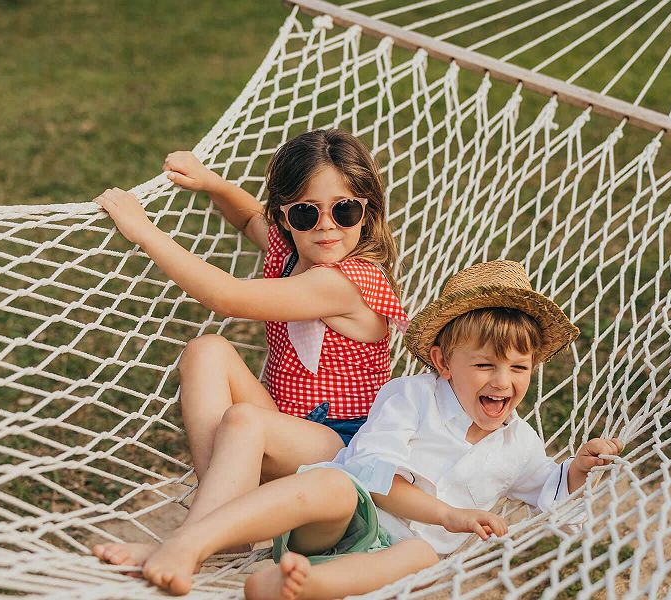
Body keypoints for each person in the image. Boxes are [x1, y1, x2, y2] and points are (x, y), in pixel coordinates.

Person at [130, 260, 625, 598]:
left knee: (420, 555)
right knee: (333, 481)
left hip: (392, 559)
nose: (503, 381)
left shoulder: (521, 443)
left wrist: (578, 470)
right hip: (342, 521)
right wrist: (448, 514)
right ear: (442, 362)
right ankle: (192, 543)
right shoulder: (410, 397)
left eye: (519, 369)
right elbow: (371, 475)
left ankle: (293, 587)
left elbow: (555, 498)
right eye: (485, 366)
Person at [90, 129, 409, 569]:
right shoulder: (294, 252)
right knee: (207, 351)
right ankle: (223, 530)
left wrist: (143, 231)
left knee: (244, 420)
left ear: (366, 211)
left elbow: (226, 296)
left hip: (341, 447)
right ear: (284, 216)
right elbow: (246, 219)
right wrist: (213, 184)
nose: (326, 225)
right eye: (305, 213)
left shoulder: (343, 281)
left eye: (345, 208)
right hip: (286, 427)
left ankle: (190, 542)